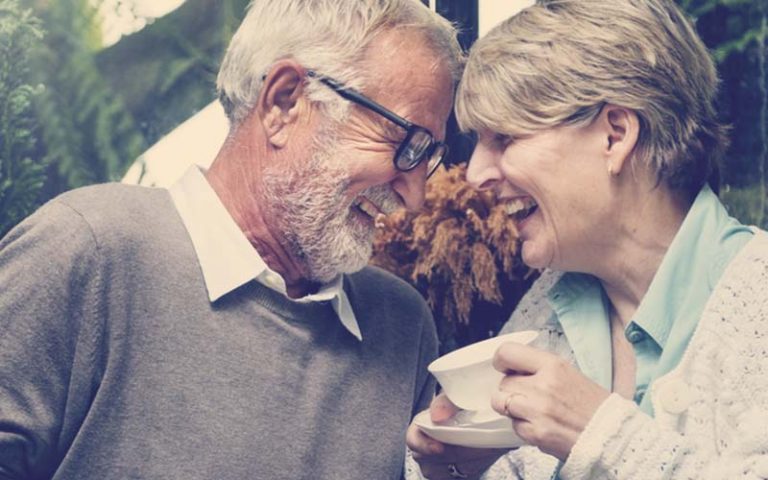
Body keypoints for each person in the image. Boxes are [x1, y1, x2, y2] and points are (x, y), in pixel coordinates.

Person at [0, 1, 462, 478]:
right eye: (406, 142)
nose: (416, 195)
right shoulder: (88, 250)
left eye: (428, 155)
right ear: (284, 102)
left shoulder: (403, 325)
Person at [406, 0, 768, 479]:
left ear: (615, 136)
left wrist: (599, 436)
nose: (474, 174)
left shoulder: (756, 298)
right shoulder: (548, 305)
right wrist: (456, 470)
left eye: (504, 139)